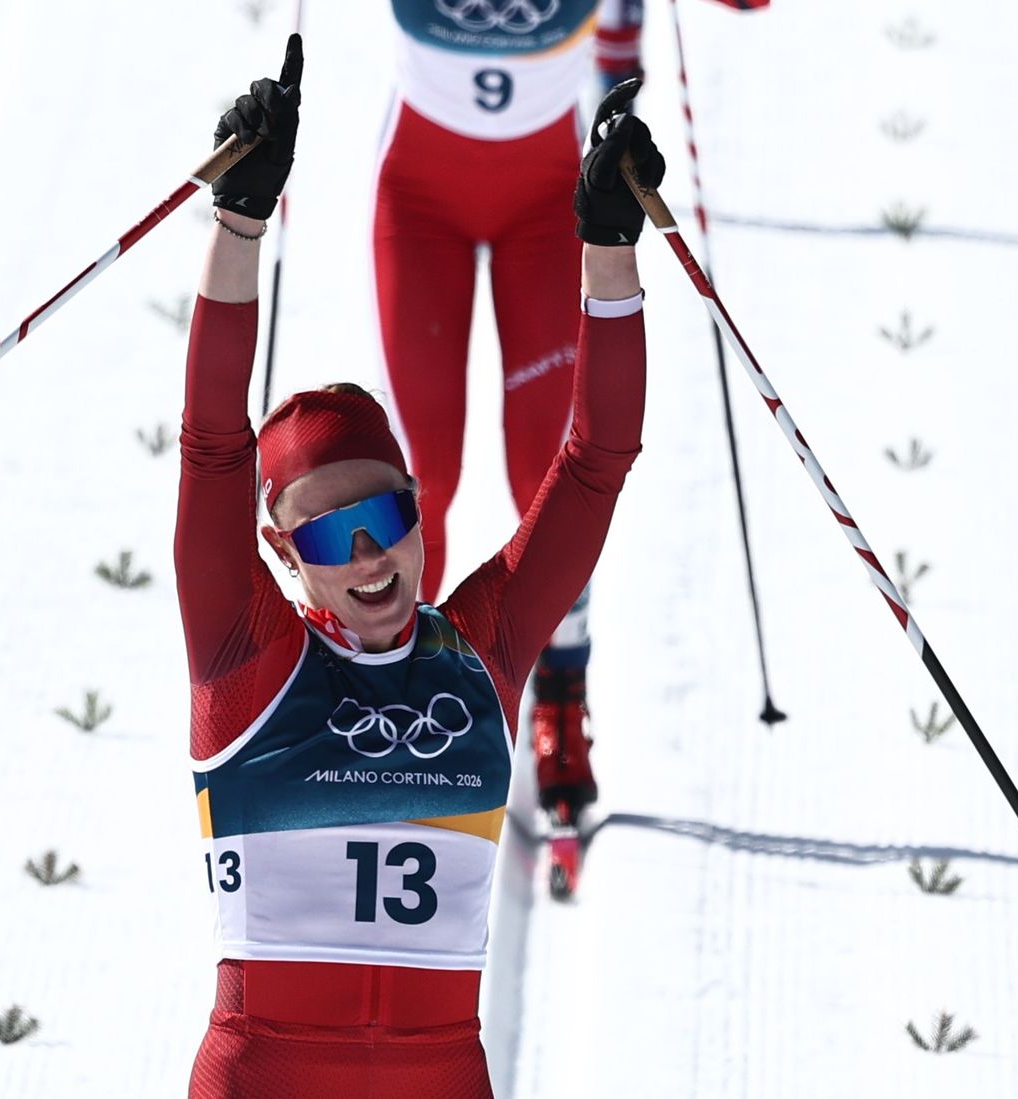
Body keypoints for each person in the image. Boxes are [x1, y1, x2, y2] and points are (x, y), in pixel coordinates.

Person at [177, 35, 663, 1097]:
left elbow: (595, 461)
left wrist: (607, 250)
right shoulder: (243, 655)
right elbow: (214, 444)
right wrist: (239, 224)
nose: (368, 555)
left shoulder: (478, 651)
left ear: (414, 500)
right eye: (325, 534)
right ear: (279, 550)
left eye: (386, 514)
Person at [377, 0, 646, 848]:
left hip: (547, 203)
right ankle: (402, 710)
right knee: (420, 481)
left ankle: (561, 696)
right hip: (420, 199)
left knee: (547, 477)